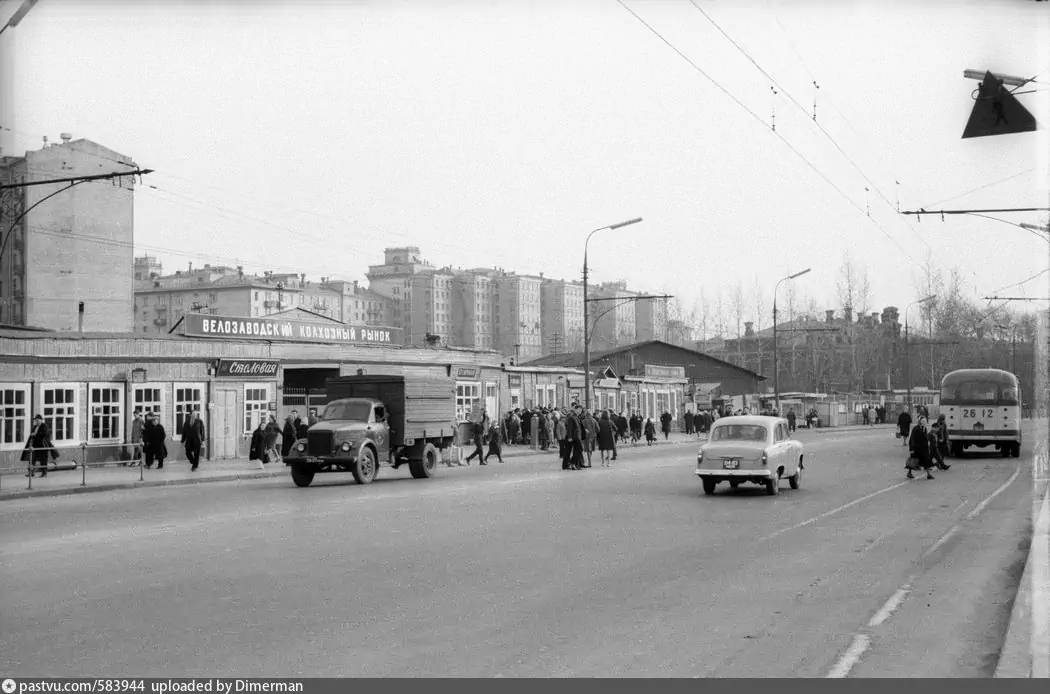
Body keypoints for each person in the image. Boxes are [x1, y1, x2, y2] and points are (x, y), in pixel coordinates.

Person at [908, 415, 935, 480]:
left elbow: (925, 437)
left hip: (924, 448)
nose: (924, 423)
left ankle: (928, 474)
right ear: (920, 422)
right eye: (923, 421)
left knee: (926, 460)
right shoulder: (916, 429)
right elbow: (912, 439)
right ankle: (909, 472)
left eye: (925, 421)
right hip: (917, 448)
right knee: (913, 461)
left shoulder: (924, 429)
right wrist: (911, 448)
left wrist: (927, 443)